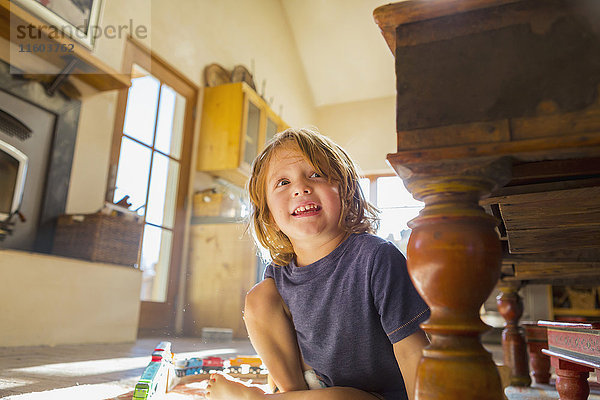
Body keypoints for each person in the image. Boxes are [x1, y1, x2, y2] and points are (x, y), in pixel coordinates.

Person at [206, 127, 430, 400]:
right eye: (283, 183)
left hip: (381, 396)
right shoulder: (278, 274)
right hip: (318, 389)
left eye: (316, 175)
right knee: (259, 297)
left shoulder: (376, 257)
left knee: (340, 399)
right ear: (270, 215)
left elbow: (413, 351)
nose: (301, 188)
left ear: (345, 192)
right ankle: (291, 395)